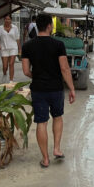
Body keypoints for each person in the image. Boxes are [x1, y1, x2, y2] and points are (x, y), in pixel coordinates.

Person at [21, 14, 76, 168]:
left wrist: (37, 76)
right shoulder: (58, 45)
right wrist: (71, 88)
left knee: (41, 122)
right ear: (49, 26)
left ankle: (45, 159)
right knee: (57, 117)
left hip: (38, 89)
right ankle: (57, 149)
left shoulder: (27, 46)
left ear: (37, 26)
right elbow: (65, 68)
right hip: (56, 88)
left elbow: (25, 71)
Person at [0, 14, 21, 83]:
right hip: (4, 49)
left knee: (11, 64)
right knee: (5, 66)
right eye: (6, 19)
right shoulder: (0, 28)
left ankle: (11, 80)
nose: (7, 20)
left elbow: (17, 39)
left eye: (9, 19)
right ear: (4, 20)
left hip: (13, 48)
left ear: (11, 20)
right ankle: (4, 74)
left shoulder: (15, 28)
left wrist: (19, 48)